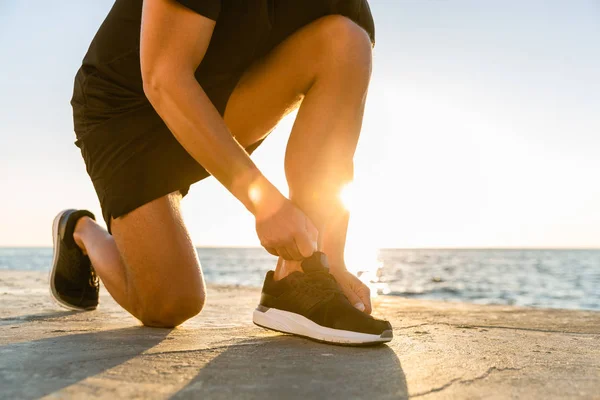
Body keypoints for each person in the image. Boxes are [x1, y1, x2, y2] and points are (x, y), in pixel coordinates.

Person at [50, 0, 392, 345]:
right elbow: (163, 77)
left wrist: (331, 259)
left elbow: (335, 143)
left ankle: (302, 277)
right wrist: (265, 203)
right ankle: (80, 231)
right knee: (171, 303)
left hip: (217, 99)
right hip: (125, 114)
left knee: (346, 41)